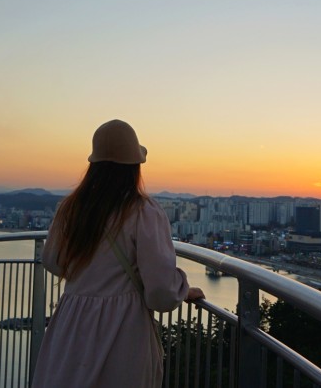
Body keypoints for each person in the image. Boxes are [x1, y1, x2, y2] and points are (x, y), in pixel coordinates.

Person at [32, 120, 205, 387]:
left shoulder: (70, 208)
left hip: (72, 323)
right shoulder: (143, 213)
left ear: (94, 167)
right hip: (123, 329)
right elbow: (160, 293)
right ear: (134, 168)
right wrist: (182, 289)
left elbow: (53, 261)